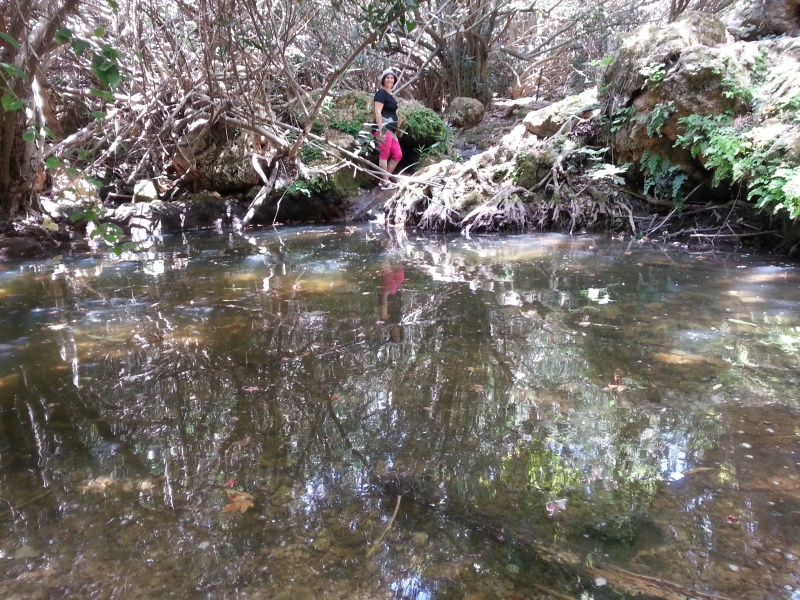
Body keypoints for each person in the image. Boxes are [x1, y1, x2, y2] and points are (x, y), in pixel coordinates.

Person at [373, 69, 402, 190]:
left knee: (397, 155)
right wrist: (382, 130)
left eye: (392, 78)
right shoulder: (381, 93)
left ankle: (384, 180)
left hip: (392, 130)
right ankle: (385, 182)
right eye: (387, 77)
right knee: (384, 155)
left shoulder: (389, 94)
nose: (390, 79)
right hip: (383, 129)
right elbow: (377, 111)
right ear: (383, 79)